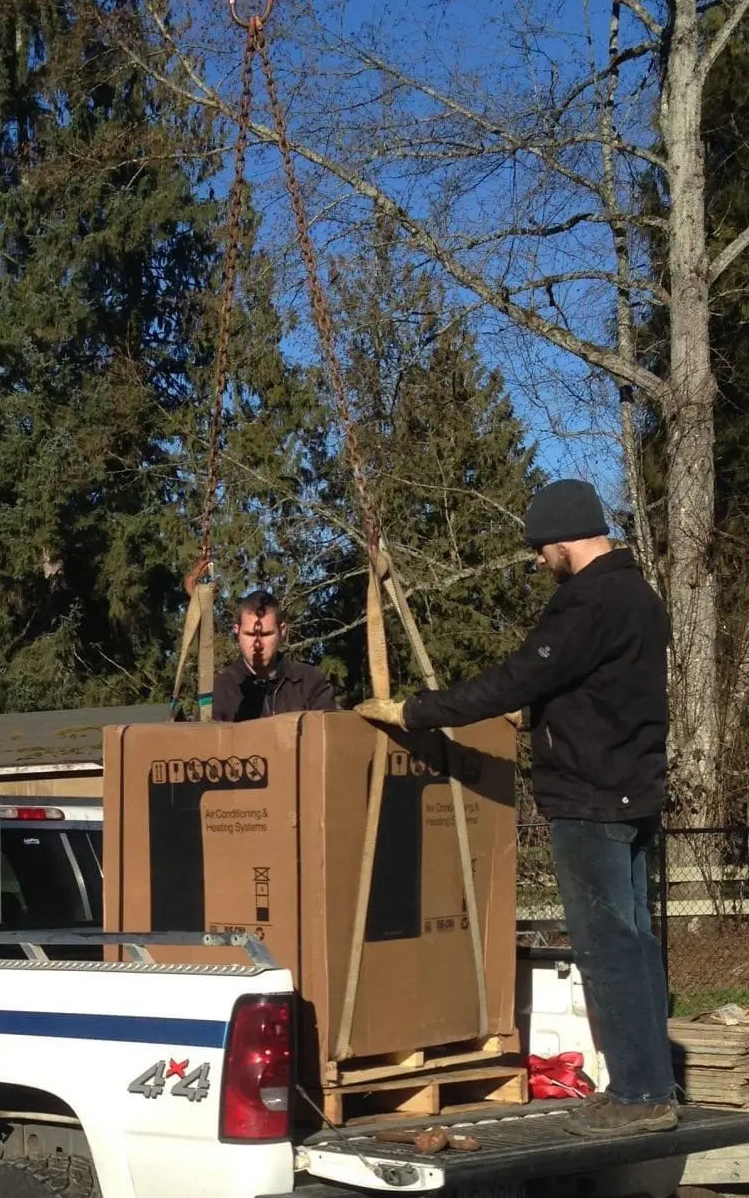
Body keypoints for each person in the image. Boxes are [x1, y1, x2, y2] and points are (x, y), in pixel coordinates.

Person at [355, 478, 676, 1137]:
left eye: (540, 548)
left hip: (589, 798)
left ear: (564, 537)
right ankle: (651, 1083)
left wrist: (417, 711)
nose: (537, 561)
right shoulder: (640, 596)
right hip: (633, 792)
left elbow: (520, 676)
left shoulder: (587, 603)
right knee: (637, 943)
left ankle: (640, 1095)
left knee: (607, 948)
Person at [212, 589, 337, 721]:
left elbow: (327, 734)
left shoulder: (310, 682)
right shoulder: (220, 689)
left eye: (266, 634)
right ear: (237, 632)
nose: (257, 645)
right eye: (250, 634)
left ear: (282, 632)